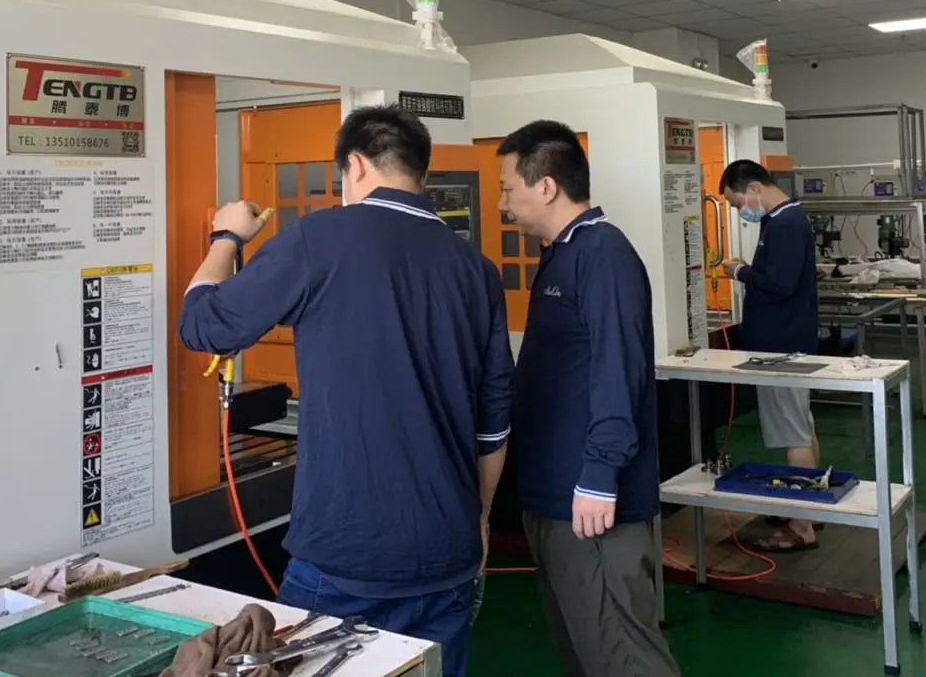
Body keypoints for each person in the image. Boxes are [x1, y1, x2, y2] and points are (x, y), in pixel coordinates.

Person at [180, 105, 513, 677]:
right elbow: (493, 421)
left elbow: (202, 326)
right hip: (448, 551)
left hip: (345, 555)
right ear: (421, 173)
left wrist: (226, 237)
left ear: (355, 165)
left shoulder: (318, 240)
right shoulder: (475, 268)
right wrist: (477, 521)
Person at [496, 120, 680, 677]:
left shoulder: (603, 254)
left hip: (592, 506)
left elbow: (618, 369)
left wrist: (599, 475)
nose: (502, 202)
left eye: (507, 188)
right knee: (582, 651)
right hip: (555, 497)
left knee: (622, 657)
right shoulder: (561, 253)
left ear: (546, 186)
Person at [719, 159, 822, 553]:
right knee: (802, 426)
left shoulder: (786, 224)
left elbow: (778, 285)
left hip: (781, 347)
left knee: (794, 431)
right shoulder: (779, 221)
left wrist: (739, 272)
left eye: (736, 203)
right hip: (786, 341)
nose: (739, 211)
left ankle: (801, 526)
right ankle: (809, 506)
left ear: (754, 189)